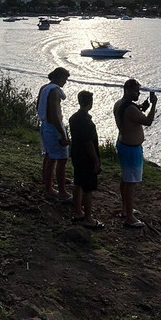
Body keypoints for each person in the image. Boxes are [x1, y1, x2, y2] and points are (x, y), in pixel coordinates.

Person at [113, 78, 157, 228]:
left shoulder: (120, 104)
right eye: (136, 91)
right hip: (131, 149)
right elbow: (148, 121)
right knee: (131, 183)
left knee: (125, 180)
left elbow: (131, 115)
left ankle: (126, 209)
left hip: (123, 144)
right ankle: (129, 217)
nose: (138, 93)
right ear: (128, 89)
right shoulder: (131, 109)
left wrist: (141, 107)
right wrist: (154, 105)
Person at [68, 90, 103, 228]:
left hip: (76, 154)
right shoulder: (86, 121)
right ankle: (88, 218)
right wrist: (96, 160)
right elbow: (88, 143)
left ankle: (78, 212)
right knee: (88, 188)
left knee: (78, 183)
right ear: (90, 103)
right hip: (86, 157)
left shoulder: (73, 118)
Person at [36, 67, 70, 202]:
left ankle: (47, 183)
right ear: (59, 77)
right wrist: (62, 134)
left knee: (50, 156)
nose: (65, 82)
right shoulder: (55, 92)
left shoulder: (44, 87)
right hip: (53, 128)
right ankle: (61, 191)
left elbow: (38, 106)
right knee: (61, 159)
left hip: (45, 125)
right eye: (65, 79)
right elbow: (55, 115)